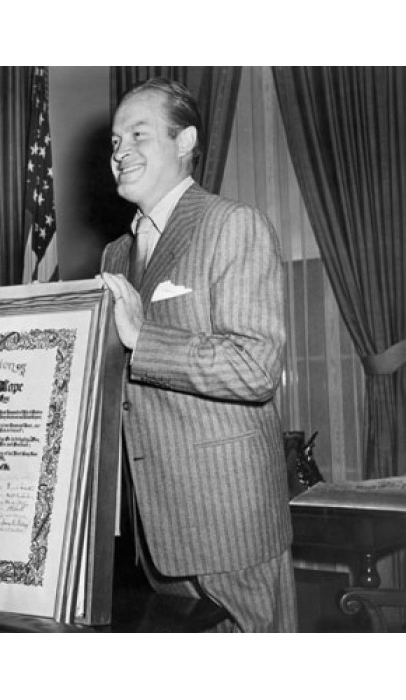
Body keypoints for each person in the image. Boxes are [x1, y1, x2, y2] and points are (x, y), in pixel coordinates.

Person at [101, 78, 297, 632]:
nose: (120, 152)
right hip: (154, 532)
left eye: (138, 135)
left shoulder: (231, 224)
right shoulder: (115, 253)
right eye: (114, 141)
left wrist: (144, 338)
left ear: (185, 141)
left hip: (228, 525)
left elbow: (256, 368)